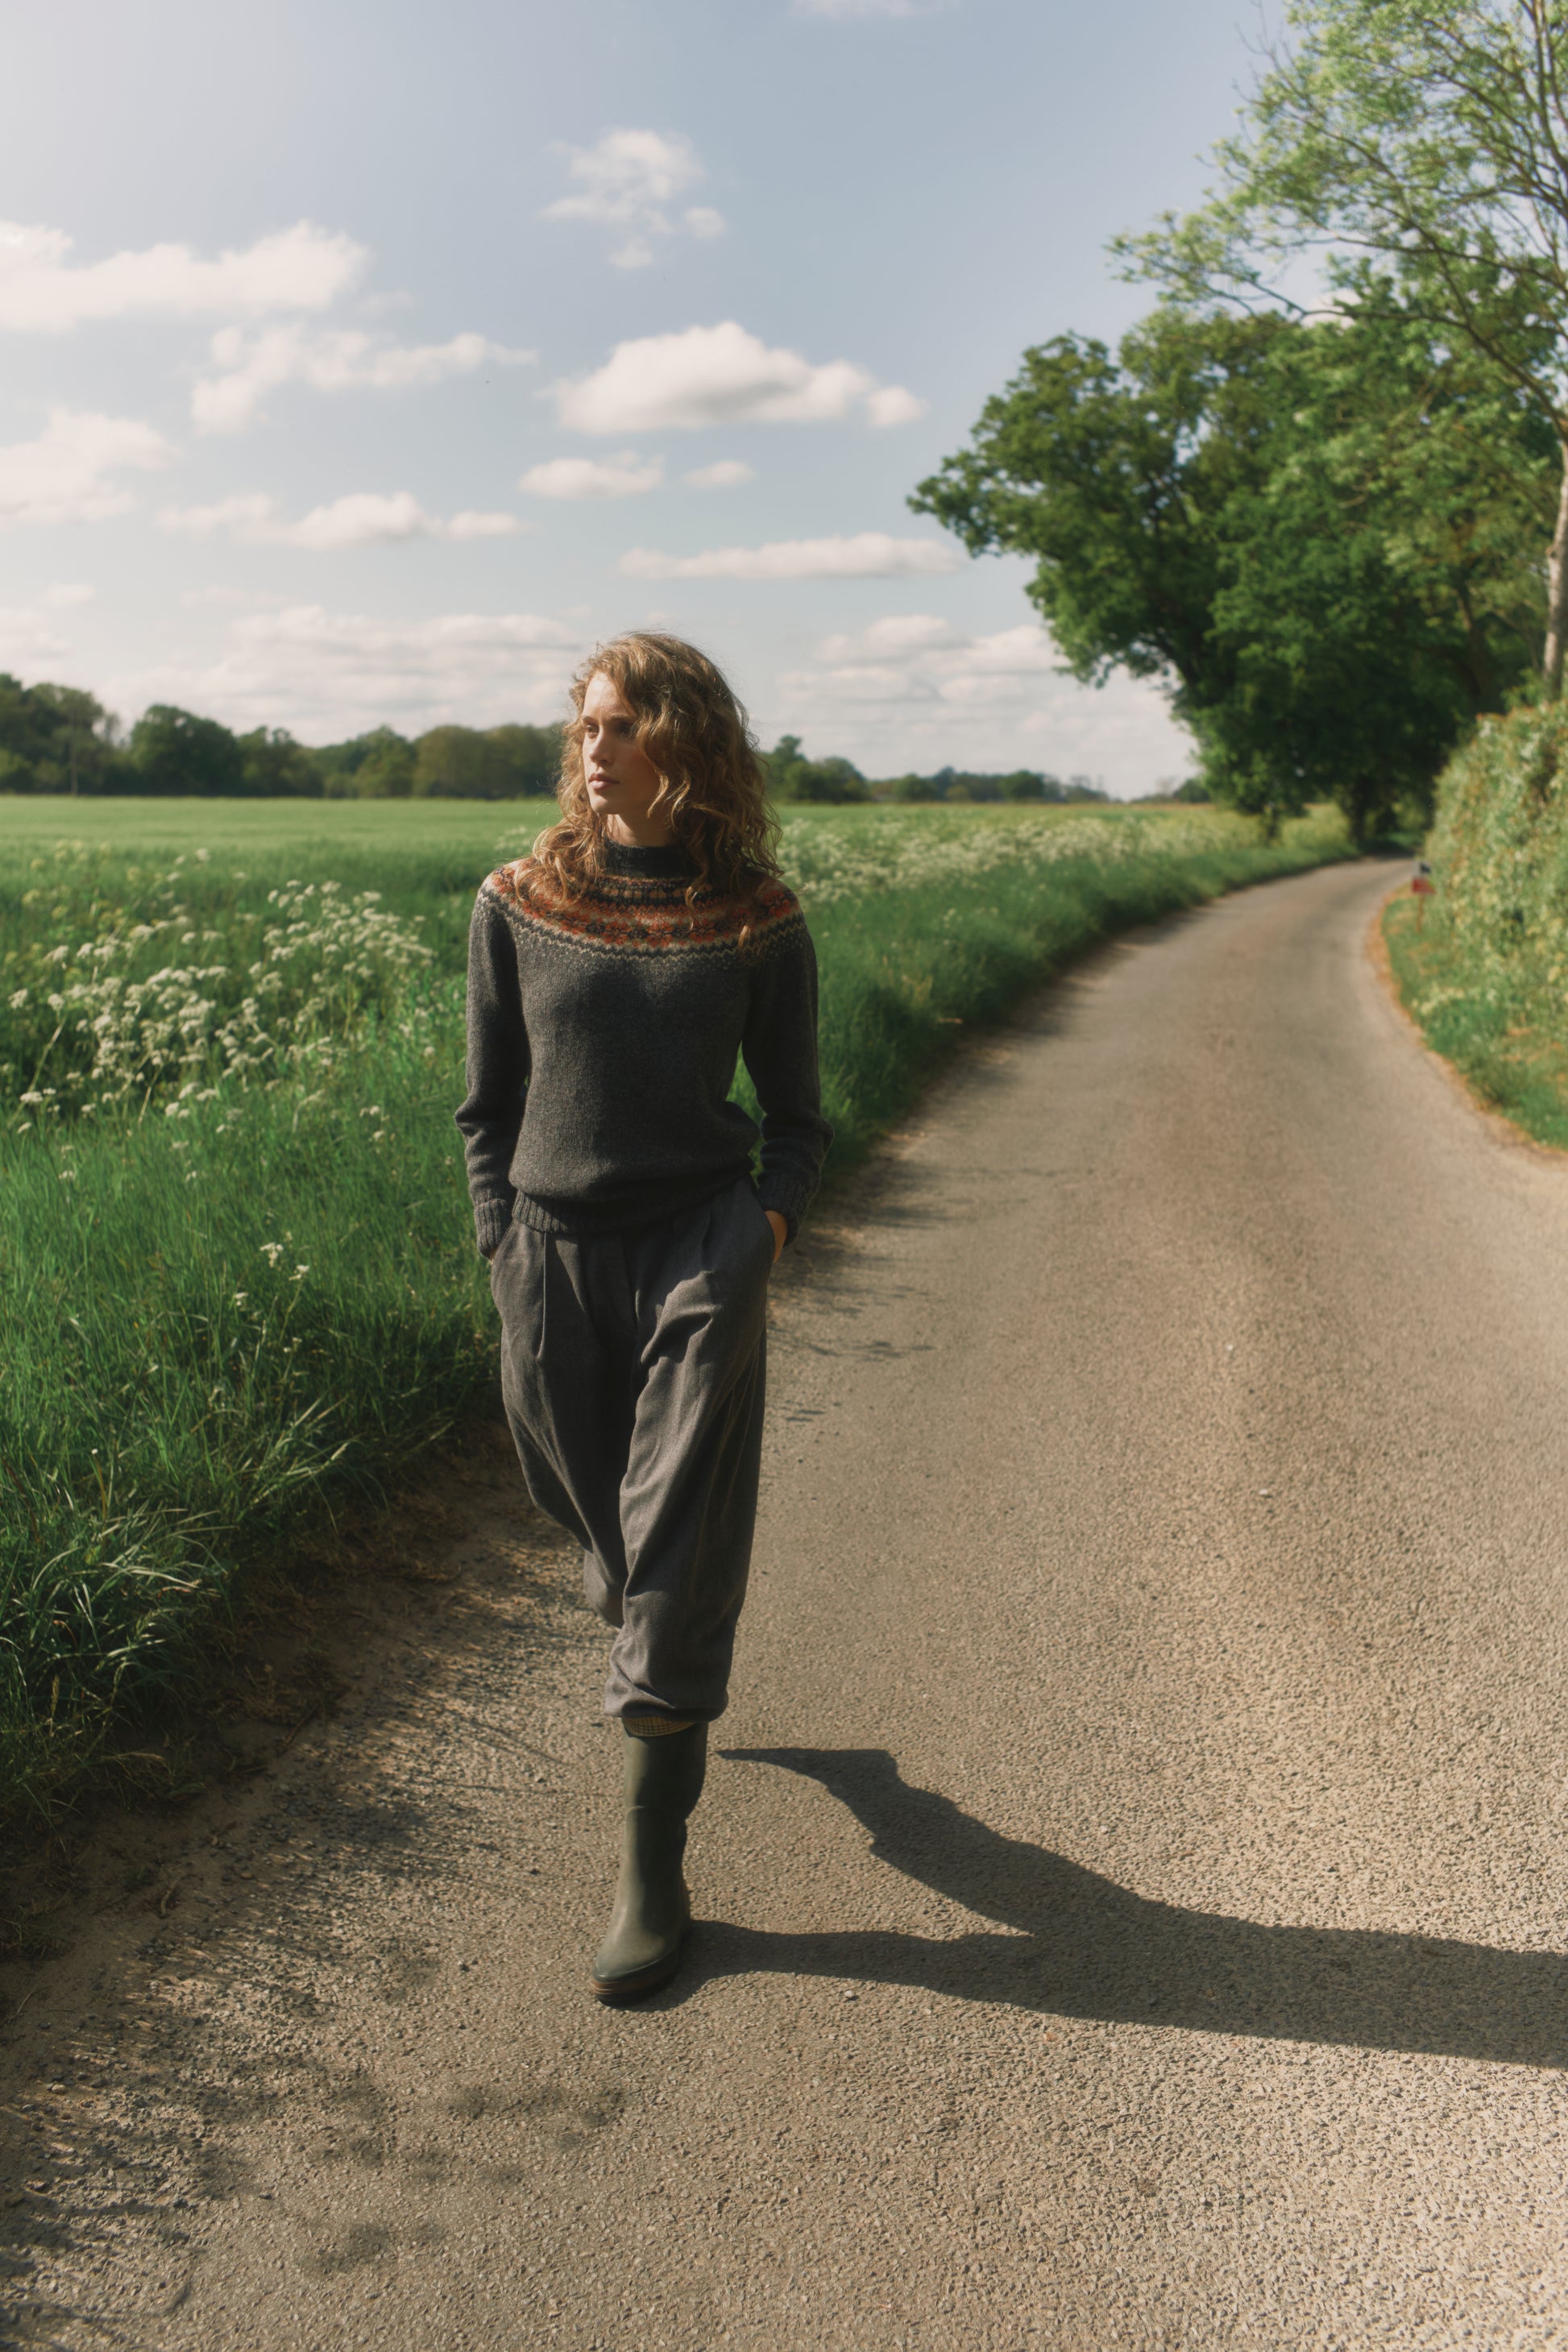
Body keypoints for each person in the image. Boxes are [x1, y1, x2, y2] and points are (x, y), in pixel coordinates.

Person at [455, 633, 832, 2001]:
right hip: (549, 1255)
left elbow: (797, 1120)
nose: (592, 748)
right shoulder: (518, 898)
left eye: (619, 724)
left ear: (686, 739)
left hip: (697, 1256)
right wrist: (502, 1242)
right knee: (604, 1537)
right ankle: (653, 1639)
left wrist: (757, 1236)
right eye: (585, 726)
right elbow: (487, 1106)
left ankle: (651, 1876)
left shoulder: (755, 916)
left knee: (670, 1552)